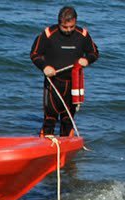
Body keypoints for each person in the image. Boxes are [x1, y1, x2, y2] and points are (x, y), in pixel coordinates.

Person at [29, 5, 98, 137]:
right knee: (50, 118)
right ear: (59, 22)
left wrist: (87, 60)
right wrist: (44, 67)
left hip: (74, 82)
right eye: (65, 27)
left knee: (67, 119)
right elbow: (34, 54)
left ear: (75, 22)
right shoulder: (48, 34)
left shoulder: (82, 34)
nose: (68, 30)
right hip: (53, 82)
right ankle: (46, 146)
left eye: (71, 27)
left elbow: (94, 52)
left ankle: (67, 150)